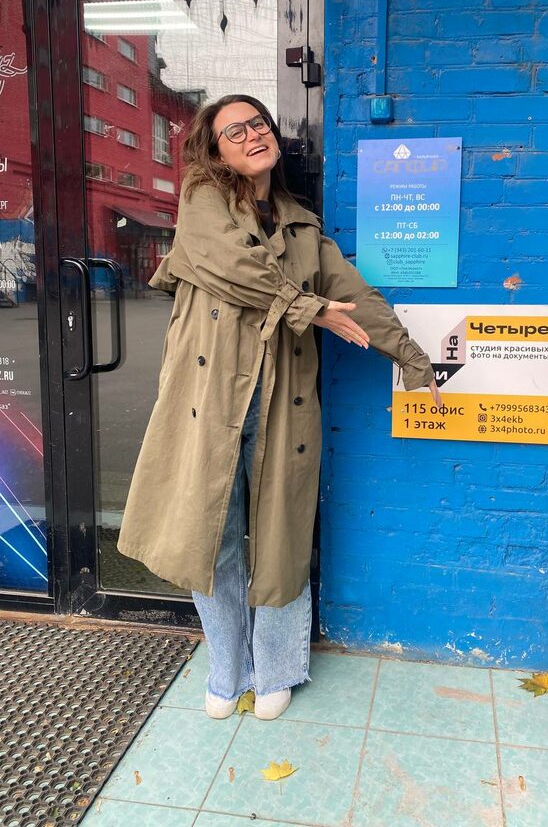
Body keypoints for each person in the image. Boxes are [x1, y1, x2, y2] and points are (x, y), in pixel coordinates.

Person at [117, 94, 441, 722]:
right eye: (234, 131)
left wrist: (409, 354)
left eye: (259, 124)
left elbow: (353, 295)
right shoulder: (201, 201)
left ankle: (277, 668)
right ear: (216, 152)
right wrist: (309, 308)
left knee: (281, 540)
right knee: (211, 536)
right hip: (208, 400)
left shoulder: (302, 227)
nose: (252, 135)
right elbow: (231, 266)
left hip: (282, 399)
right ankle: (226, 665)